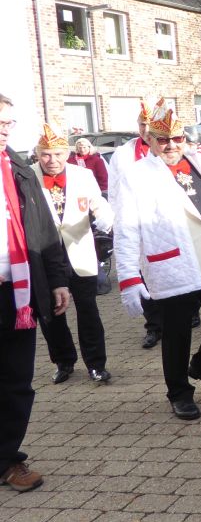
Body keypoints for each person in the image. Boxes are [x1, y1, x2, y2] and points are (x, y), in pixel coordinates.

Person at [115, 102, 201, 421]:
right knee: (177, 331)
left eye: (177, 138)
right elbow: (126, 228)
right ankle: (179, 392)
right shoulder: (136, 175)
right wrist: (129, 277)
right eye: (163, 139)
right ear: (150, 140)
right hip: (173, 262)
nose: (171, 145)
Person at [0, 96, 70, 493]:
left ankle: (8, 459)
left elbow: (44, 230)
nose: (5, 129)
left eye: (9, 122)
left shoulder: (20, 171)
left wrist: (57, 280)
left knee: (16, 381)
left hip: (16, 293)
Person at [32, 124, 113, 385]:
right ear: (37, 154)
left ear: (66, 153)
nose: (52, 160)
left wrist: (105, 219)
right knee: (52, 313)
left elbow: (98, 203)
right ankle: (64, 361)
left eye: (57, 154)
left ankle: (96, 364)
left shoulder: (83, 175)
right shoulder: (28, 176)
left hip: (80, 252)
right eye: (46, 154)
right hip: (45, 256)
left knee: (88, 310)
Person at [108, 96, 164, 350]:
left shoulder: (168, 147)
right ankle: (153, 325)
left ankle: (184, 314)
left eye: (150, 124)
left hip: (164, 222)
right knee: (143, 271)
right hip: (135, 221)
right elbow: (114, 190)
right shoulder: (122, 154)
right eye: (142, 124)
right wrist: (116, 219)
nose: (146, 129)